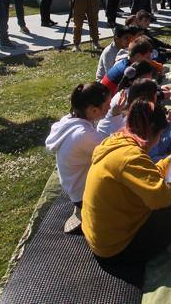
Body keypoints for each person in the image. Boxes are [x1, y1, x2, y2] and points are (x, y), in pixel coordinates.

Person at [82, 98, 171, 280]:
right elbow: (162, 199)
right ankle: (169, 247)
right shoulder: (130, 157)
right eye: (160, 134)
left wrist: (170, 160)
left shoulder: (118, 142)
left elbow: (144, 174)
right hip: (116, 250)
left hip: (102, 237)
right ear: (152, 131)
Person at [45, 82, 111, 234]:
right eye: (107, 105)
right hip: (83, 195)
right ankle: (87, 216)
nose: (109, 108)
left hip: (73, 188)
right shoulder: (83, 134)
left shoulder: (69, 120)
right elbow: (114, 151)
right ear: (94, 110)